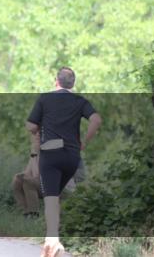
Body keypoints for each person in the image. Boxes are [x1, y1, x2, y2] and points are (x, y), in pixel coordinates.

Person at [26, 67, 102, 257]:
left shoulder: (45, 98)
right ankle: (49, 242)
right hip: (72, 155)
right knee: (55, 196)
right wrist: (84, 142)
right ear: (72, 84)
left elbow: (31, 125)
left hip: (51, 152)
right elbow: (96, 120)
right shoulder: (80, 101)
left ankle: (53, 241)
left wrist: (39, 127)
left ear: (56, 81)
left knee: (50, 198)